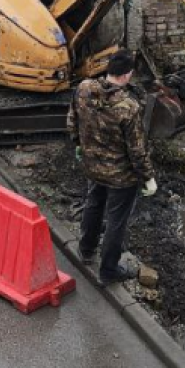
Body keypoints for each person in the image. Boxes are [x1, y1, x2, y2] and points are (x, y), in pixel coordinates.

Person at [67, 49, 158, 285]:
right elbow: (137, 149)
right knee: (116, 221)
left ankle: (86, 250)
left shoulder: (84, 89)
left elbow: (72, 120)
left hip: (92, 166)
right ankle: (108, 270)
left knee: (93, 204)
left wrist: (78, 144)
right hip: (121, 176)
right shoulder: (129, 107)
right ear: (127, 75)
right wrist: (148, 177)